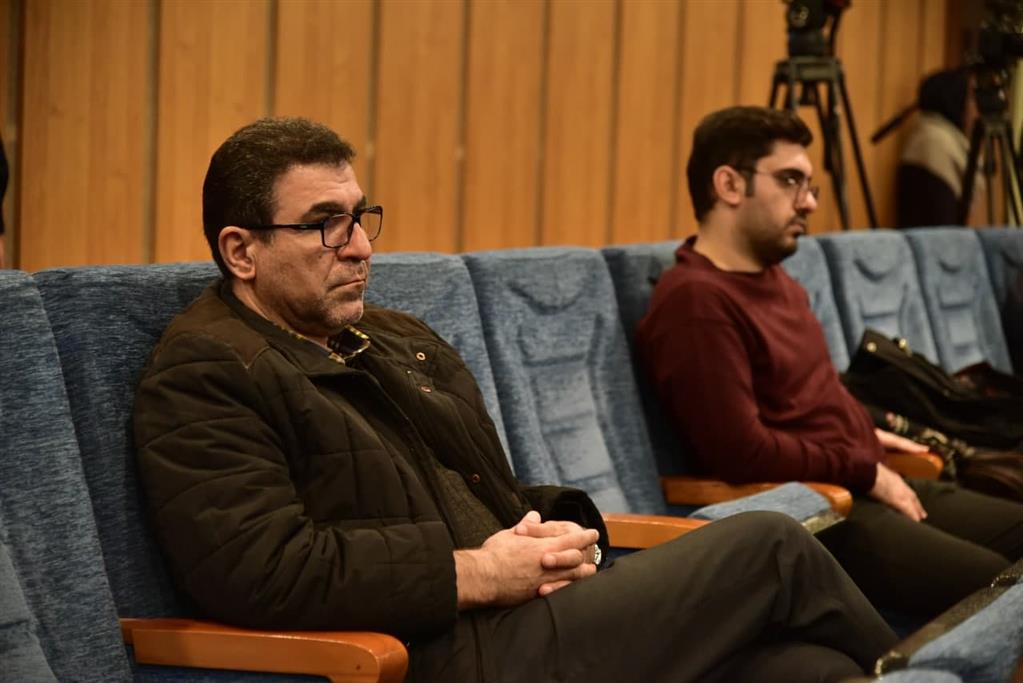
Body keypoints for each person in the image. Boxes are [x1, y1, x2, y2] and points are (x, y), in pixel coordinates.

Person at [133, 117, 897, 683]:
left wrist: (556, 531)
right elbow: (263, 570)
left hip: (521, 615)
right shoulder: (206, 370)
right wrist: (476, 572)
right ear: (241, 250)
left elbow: (469, 488)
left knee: (808, 669)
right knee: (769, 545)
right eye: (322, 226)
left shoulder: (392, 337)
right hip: (430, 653)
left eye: (359, 217)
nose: (360, 246)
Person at [636, 105, 1023, 620]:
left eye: (810, 184)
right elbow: (741, 453)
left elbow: (810, 397)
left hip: (863, 475)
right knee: (1002, 588)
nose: (810, 202)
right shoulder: (695, 302)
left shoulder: (777, 281)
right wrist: (862, 466)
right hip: (821, 508)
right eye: (790, 181)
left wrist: (869, 430)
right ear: (729, 184)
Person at [896, 67, 982, 228]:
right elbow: (941, 224)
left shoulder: (937, 137)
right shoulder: (934, 143)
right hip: (933, 241)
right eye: (971, 99)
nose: (976, 109)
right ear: (954, 99)